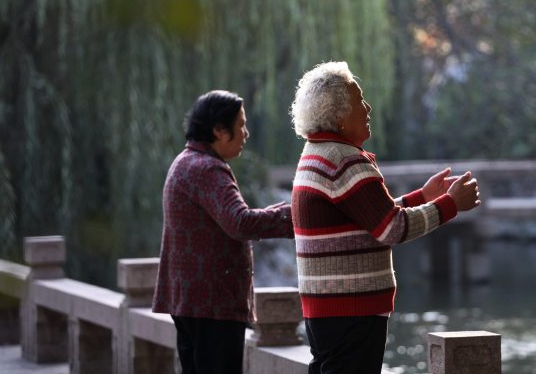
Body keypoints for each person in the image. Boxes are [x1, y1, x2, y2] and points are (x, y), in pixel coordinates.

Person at [289, 61, 481, 374]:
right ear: (338, 114)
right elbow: (392, 228)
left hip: (326, 306)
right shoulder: (345, 159)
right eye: (358, 101)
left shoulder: (317, 153)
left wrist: (422, 197)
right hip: (351, 308)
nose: (368, 108)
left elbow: (370, 216)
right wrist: (451, 204)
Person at [153, 90, 294, 374]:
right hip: (212, 306)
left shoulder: (186, 161)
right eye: (240, 125)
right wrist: (295, 214)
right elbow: (239, 222)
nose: (246, 133)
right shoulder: (208, 168)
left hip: (192, 301)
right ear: (219, 130)